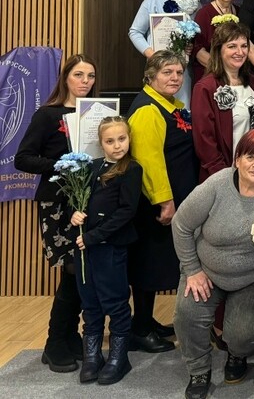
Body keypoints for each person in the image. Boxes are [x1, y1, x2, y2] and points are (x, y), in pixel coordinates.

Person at [172, 129, 254, 399]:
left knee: (243, 336)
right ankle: (199, 370)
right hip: (206, 270)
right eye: (250, 157)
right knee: (187, 316)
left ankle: (236, 354)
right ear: (237, 159)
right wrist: (192, 270)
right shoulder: (216, 186)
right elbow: (180, 224)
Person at [15, 54, 97, 373]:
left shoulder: (96, 112)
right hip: (57, 204)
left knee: (82, 272)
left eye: (90, 76)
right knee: (72, 271)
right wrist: (62, 166)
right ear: (65, 78)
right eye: (79, 75)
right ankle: (54, 343)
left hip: (87, 203)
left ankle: (70, 336)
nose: (85, 81)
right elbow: (23, 158)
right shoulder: (47, 115)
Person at [127, 50, 198, 353]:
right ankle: (140, 329)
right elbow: (149, 161)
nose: (175, 78)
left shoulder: (169, 106)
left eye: (179, 73)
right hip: (155, 206)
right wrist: (165, 202)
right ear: (151, 76)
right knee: (149, 264)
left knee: (156, 263)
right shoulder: (148, 110)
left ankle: (146, 321)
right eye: (167, 72)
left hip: (171, 200)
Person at [69, 116, 142, 384]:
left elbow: (126, 211)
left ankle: (119, 357)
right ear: (101, 144)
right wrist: (74, 214)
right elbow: (78, 201)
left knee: (114, 300)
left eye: (121, 139)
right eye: (110, 141)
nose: (117, 145)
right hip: (85, 247)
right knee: (89, 301)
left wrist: (95, 236)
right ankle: (92, 356)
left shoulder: (131, 169)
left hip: (109, 246)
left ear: (129, 138)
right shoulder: (92, 166)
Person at [192, 21, 254, 183]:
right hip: (223, 176)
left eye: (244, 46)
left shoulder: (253, 83)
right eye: (232, 46)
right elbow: (204, 141)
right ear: (219, 49)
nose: (240, 52)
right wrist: (225, 178)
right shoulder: (206, 88)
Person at [129, 0, 201, 105]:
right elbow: (135, 32)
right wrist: (152, 54)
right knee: (158, 108)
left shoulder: (196, 3)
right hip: (159, 67)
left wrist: (191, 46)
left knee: (182, 109)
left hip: (183, 69)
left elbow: (197, 37)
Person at [190, 0, 238, 86]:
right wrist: (222, 69)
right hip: (210, 74)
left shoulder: (240, 11)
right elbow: (198, 50)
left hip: (236, 75)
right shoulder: (204, 13)